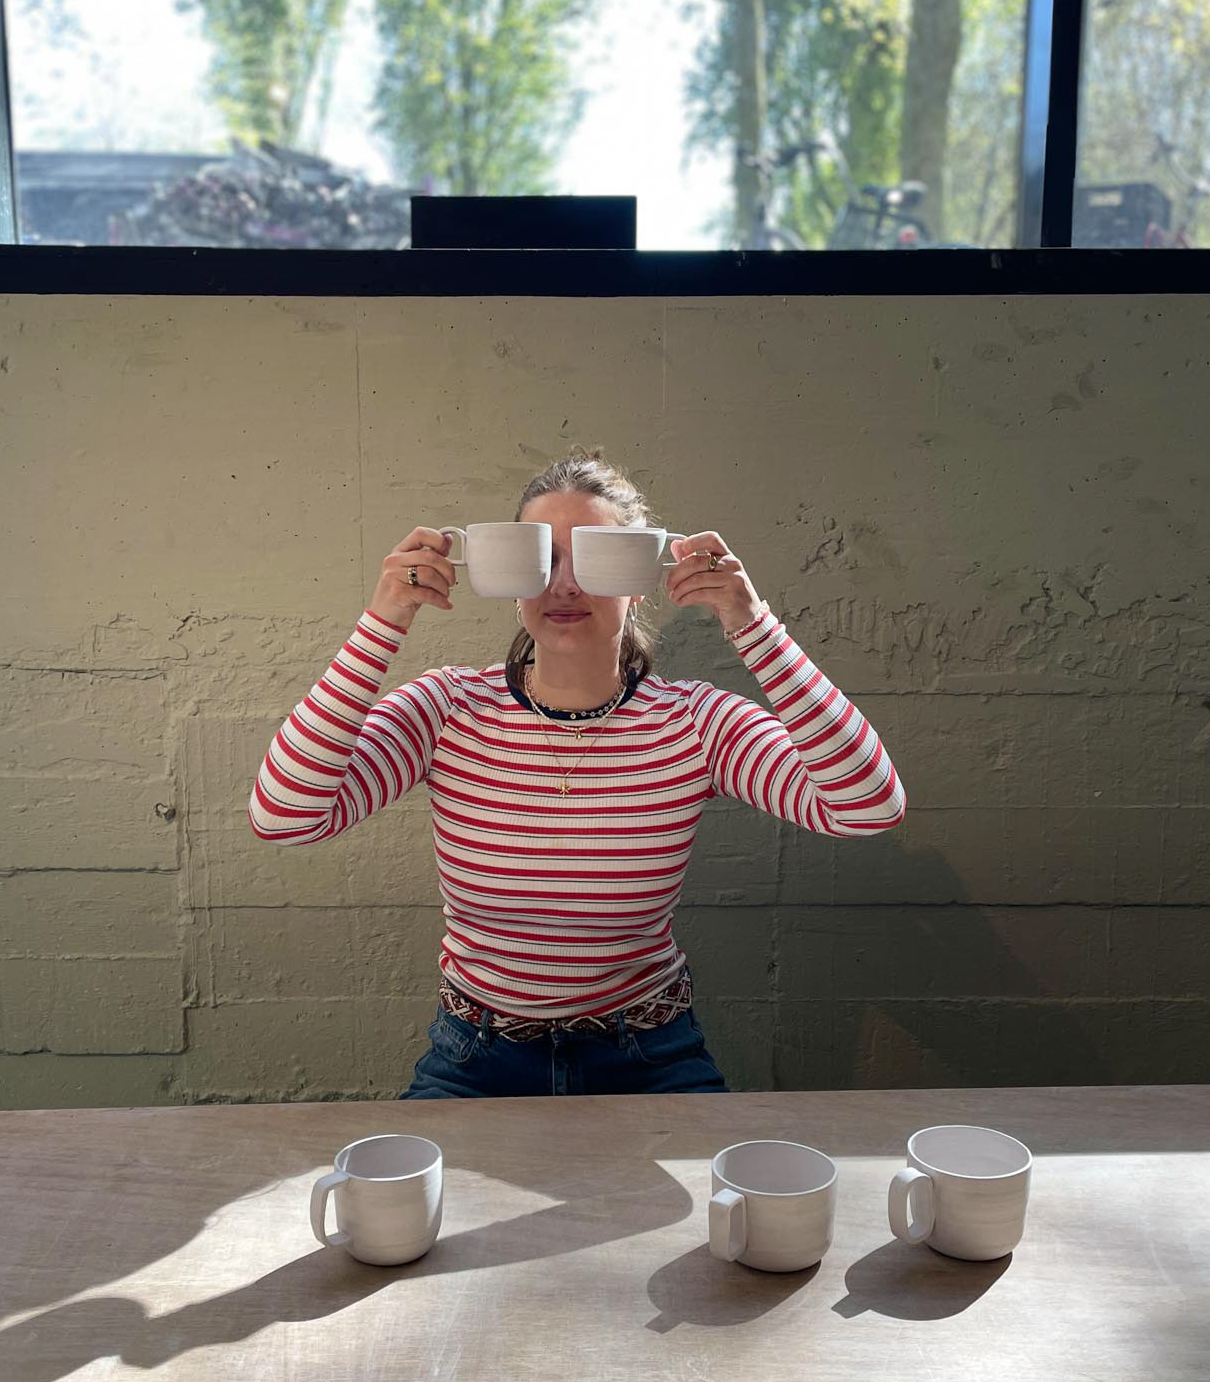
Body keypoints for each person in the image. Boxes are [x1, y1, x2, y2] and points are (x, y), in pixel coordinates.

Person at [248, 453, 906, 1097]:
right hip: (475, 1056)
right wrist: (383, 622)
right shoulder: (447, 709)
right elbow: (284, 817)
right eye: (542, 559)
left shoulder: (695, 722)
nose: (563, 586)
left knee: (718, 1177)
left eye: (594, 558)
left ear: (640, 577)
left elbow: (867, 806)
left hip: (650, 1056)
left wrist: (751, 623)